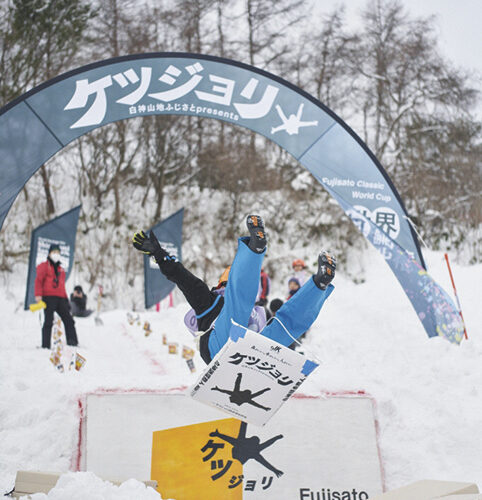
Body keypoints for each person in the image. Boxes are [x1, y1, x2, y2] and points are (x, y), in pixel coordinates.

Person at [132, 215, 335, 364]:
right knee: (237, 309)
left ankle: (319, 284)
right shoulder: (206, 301)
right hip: (218, 347)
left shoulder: (255, 310)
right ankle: (254, 250)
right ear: (221, 285)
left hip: (253, 351)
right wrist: (159, 254)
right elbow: (181, 276)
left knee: (284, 328)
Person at [34, 244, 78, 349]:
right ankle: (45, 345)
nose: (56, 254)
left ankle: (73, 342)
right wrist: (38, 295)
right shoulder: (43, 266)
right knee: (48, 321)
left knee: (68, 319)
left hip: (61, 298)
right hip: (48, 297)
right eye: (54, 252)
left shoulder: (61, 269)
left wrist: (66, 299)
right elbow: (38, 281)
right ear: (49, 253)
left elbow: (62, 286)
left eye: (58, 253)